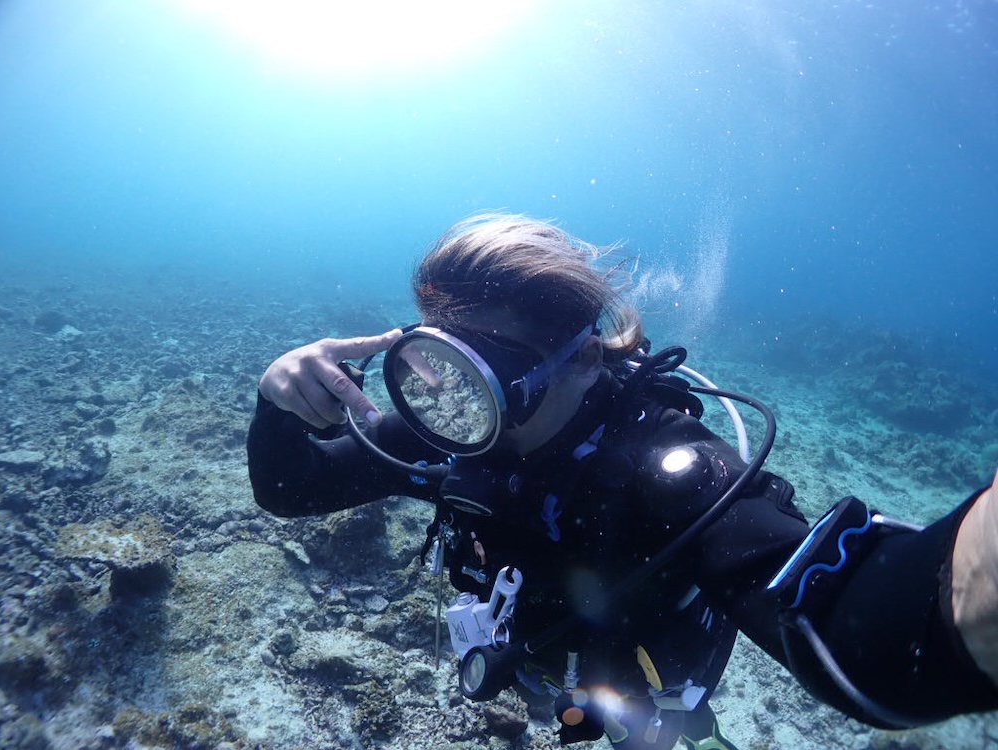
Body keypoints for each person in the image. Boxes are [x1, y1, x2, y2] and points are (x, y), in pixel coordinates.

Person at [247, 214, 998, 749]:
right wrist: (276, 404)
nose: (457, 406)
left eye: (491, 373)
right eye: (440, 361)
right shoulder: (451, 425)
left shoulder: (673, 469)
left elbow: (882, 656)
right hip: (535, 664)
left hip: (645, 686)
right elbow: (290, 489)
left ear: (583, 359)